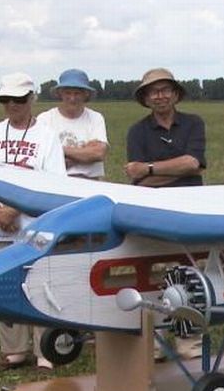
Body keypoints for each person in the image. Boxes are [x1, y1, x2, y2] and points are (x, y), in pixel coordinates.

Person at [0, 72, 67, 370]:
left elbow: (53, 184)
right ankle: (13, 349)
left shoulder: (47, 136)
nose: (12, 105)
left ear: (31, 99)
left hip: (34, 225)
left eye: (19, 99)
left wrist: (13, 210)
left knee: (39, 281)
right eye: (6, 100)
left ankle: (43, 349)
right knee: (2, 283)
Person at [124, 68, 206, 358]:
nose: (160, 95)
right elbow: (138, 181)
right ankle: (156, 341)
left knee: (190, 274)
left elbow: (194, 162)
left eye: (165, 89)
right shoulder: (137, 131)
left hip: (190, 213)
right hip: (154, 214)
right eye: (153, 91)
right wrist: (180, 168)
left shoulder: (194, 124)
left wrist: (150, 168)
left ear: (175, 94)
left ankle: (188, 341)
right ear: (146, 98)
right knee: (154, 272)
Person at [37, 69, 109, 180]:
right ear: (60, 94)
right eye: (68, 93)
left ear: (86, 94)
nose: (72, 98)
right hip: (54, 182)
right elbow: (41, 158)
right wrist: (83, 153)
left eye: (77, 93)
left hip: (89, 183)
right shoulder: (45, 119)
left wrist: (58, 151)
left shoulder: (95, 118)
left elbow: (98, 153)